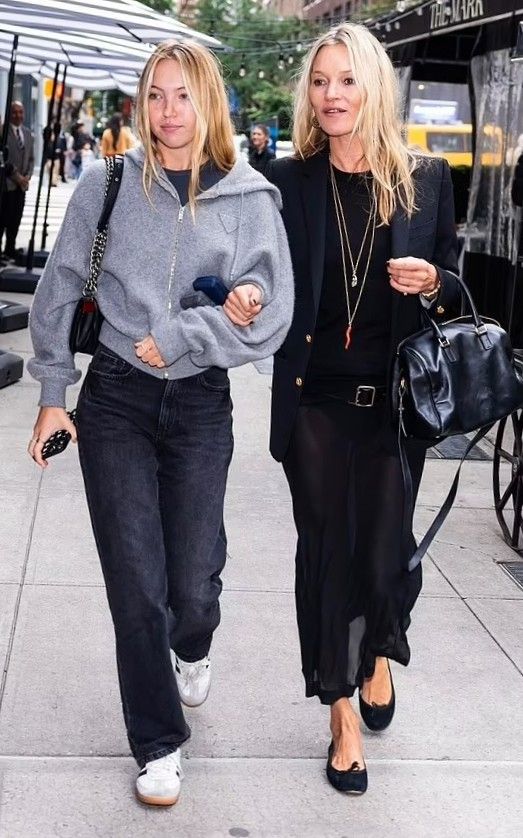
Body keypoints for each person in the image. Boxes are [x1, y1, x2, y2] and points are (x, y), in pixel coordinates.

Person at [27, 40, 293, 807]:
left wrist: (203, 325)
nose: (167, 113)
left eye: (182, 96)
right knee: (136, 585)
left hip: (201, 402)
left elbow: (267, 312)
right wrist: (54, 388)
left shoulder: (248, 199)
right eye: (154, 96)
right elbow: (60, 286)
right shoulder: (105, 184)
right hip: (113, 396)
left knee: (192, 585)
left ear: (208, 104)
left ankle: (195, 642)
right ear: (140, 105)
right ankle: (157, 741)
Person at [268, 22, 460, 795]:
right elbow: (250, 276)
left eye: (345, 80)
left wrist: (434, 285)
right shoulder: (287, 181)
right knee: (326, 553)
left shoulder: (424, 176)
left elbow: (453, 281)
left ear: (372, 87)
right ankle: (340, 714)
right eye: (319, 82)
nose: (330, 95)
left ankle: (377, 644)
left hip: (391, 404)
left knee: (384, 562)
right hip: (313, 397)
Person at [0, 101, 34, 259]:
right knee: (2, 219)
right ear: (9, 113)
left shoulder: (27, 133)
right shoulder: (2, 131)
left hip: (21, 187)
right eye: (14, 112)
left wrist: (27, 176)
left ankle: (10, 249)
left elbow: (32, 159)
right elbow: (3, 159)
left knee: (16, 219)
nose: (18, 115)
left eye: (21, 112)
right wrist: (17, 177)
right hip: (6, 185)